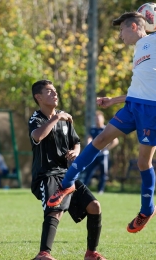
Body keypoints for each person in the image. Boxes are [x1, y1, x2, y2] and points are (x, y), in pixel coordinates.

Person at [48, 11, 156, 233]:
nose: (120, 35)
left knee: (143, 163)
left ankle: (147, 209)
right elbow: (140, 89)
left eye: (121, 30)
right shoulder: (138, 51)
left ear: (133, 27)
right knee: (101, 138)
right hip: (132, 106)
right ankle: (66, 184)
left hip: (155, 110)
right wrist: (114, 100)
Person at [29, 80, 106, 260]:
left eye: (55, 90)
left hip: (67, 175)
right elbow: (37, 136)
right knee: (55, 209)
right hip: (46, 175)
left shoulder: (65, 119)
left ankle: (91, 253)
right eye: (49, 91)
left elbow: (76, 142)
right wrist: (56, 118)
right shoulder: (36, 118)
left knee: (94, 206)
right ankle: (43, 254)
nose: (55, 94)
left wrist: (75, 152)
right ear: (38, 97)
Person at [82, 110, 118, 194]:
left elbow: (115, 141)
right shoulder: (93, 129)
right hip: (94, 155)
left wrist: (106, 148)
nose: (97, 120)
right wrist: (89, 145)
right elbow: (89, 138)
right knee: (89, 172)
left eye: (99, 118)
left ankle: (100, 190)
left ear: (103, 119)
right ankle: (83, 189)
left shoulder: (106, 129)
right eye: (96, 118)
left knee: (103, 173)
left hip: (103, 155)